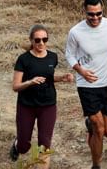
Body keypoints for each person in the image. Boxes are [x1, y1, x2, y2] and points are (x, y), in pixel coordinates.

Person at [65, 0, 107, 169]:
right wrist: (81, 71)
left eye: (99, 13)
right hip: (87, 86)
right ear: (85, 11)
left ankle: (90, 126)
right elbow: (69, 54)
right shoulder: (76, 32)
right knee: (99, 128)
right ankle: (96, 165)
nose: (95, 18)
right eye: (91, 14)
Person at [10, 24, 74, 167]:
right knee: (24, 147)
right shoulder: (23, 59)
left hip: (48, 105)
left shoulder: (53, 57)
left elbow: (48, 77)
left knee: (44, 145)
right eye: (37, 40)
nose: (41, 43)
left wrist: (62, 78)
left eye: (44, 39)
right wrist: (30, 82)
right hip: (26, 105)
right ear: (31, 40)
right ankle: (17, 144)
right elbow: (15, 86)